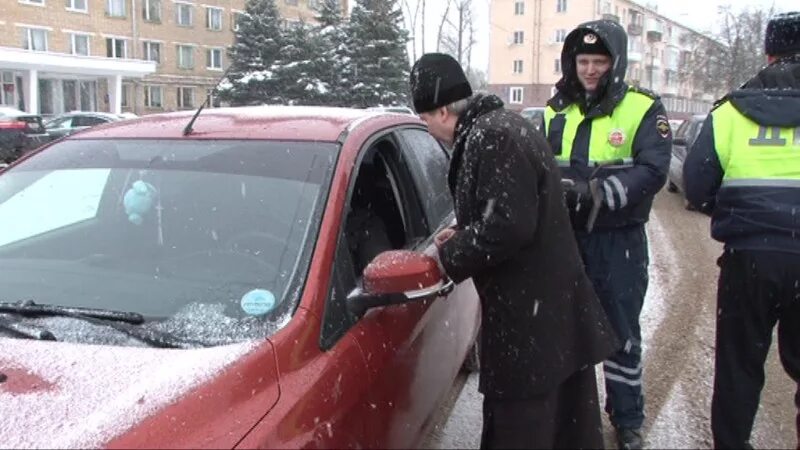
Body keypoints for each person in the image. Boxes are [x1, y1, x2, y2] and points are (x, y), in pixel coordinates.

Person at [409, 52, 619, 449]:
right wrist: (463, 230)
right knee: (562, 426)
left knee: (524, 430)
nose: (426, 129)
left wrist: (449, 257)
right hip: (547, 314)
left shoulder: (492, 137)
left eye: (422, 119)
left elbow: (508, 225)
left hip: (531, 321)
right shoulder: (500, 127)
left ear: (440, 110)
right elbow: (512, 208)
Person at [543, 20, 672, 449]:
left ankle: (627, 417)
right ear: (571, 62)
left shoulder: (642, 108)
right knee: (565, 331)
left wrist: (600, 194)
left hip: (619, 242)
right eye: (584, 60)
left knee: (620, 334)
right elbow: (541, 168)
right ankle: (571, 415)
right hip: (566, 241)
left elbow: (653, 169)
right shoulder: (554, 109)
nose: (591, 69)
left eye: (600, 61)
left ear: (615, 63)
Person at [683, 11, 800, 449]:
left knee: (738, 367)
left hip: (748, 258)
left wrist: (737, 215)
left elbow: (696, 185)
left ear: (768, 53)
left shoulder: (731, 111)